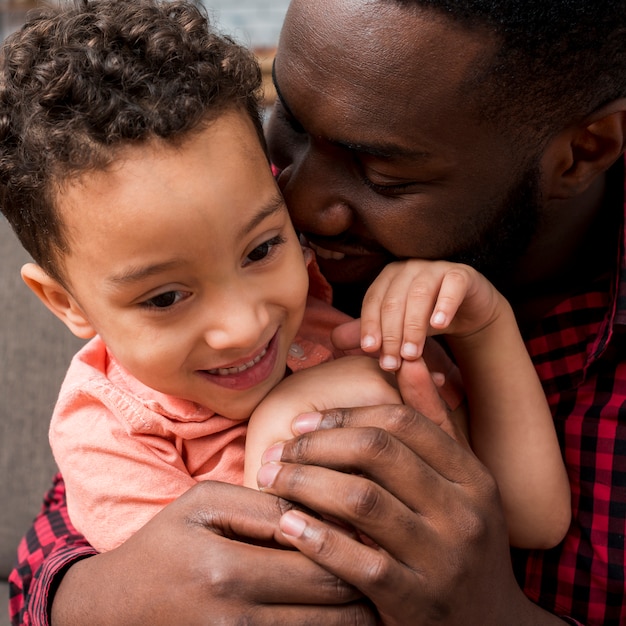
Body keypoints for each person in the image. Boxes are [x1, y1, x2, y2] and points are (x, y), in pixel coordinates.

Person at [8, 0, 626, 624]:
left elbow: (532, 517)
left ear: (582, 152)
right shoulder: (145, 391)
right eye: (292, 124)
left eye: (381, 172)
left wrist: (485, 329)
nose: (297, 202)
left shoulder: (355, 323)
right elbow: (141, 585)